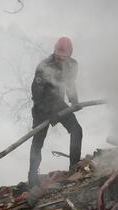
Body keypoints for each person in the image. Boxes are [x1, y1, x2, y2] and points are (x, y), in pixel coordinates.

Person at [28, 37, 83, 187]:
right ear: (54, 50)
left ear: (70, 55)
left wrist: (74, 101)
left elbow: (70, 84)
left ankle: (74, 167)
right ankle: (32, 178)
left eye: (64, 55)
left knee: (76, 130)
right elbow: (37, 94)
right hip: (42, 107)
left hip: (59, 104)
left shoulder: (72, 65)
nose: (61, 58)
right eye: (59, 53)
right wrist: (48, 112)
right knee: (38, 142)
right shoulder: (44, 66)